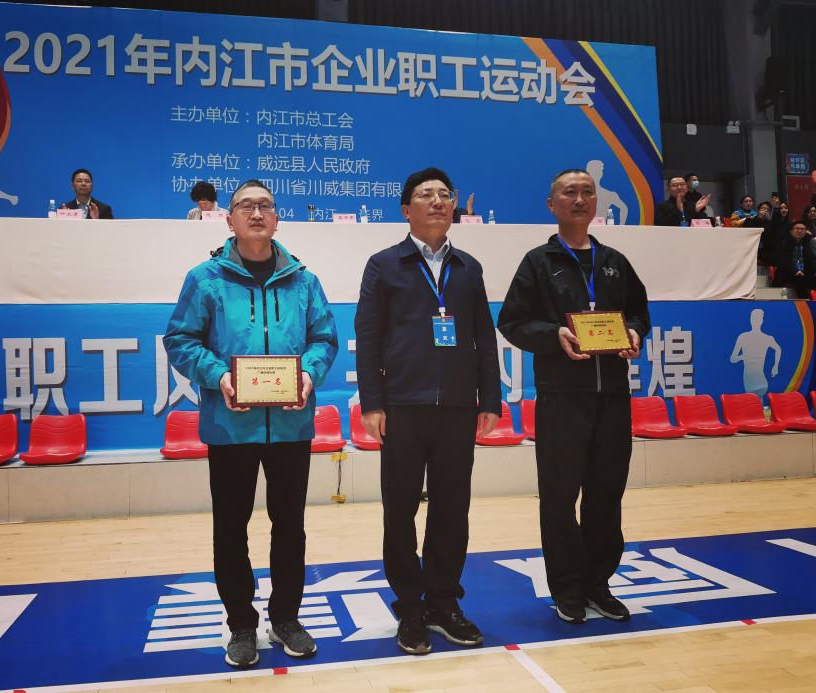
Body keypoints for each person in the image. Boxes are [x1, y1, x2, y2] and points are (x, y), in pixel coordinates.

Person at [163, 179, 338, 668]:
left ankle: (286, 617)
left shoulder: (304, 281)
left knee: (290, 526)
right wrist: (220, 377)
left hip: (290, 426)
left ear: (277, 218)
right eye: (246, 206)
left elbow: (324, 339)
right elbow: (180, 340)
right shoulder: (205, 279)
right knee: (230, 527)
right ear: (229, 218)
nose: (257, 213)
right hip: (230, 426)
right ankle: (240, 623)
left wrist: (308, 375)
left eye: (265, 206)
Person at [354, 167, 501, 655]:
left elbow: (483, 337)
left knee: (452, 509)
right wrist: (373, 403)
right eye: (425, 194)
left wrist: (489, 399)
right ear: (406, 210)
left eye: (444, 195)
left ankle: (443, 601)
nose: (438, 201)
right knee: (400, 510)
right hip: (402, 407)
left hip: (458, 407)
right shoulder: (384, 264)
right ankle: (410, 606)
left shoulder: (468, 267)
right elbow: (368, 337)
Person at [497, 169, 650, 625]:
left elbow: (639, 314)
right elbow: (512, 321)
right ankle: (566, 588)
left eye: (587, 192)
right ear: (552, 204)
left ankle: (598, 583)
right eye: (570, 193)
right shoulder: (538, 262)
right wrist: (554, 335)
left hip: (612, 398)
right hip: (562, 397)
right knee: (559, 498)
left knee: (607, 494)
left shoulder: (615, 261)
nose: (580, 199)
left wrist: (635, 333)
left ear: (596, 202)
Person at [775, 220, 816, 299]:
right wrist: (796, 271)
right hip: (787, 273)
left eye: (802, 229)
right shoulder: (783, 243)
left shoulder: (807, 244)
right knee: (801, 280)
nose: (800, 231)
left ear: (805, 232)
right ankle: (804, 303)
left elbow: (810, 261)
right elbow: (783, 262)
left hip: (804, 273)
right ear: (791, 231)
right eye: (797, 228)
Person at [762, 202, 792, 266]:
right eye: (781, 208)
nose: (784, 210)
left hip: (786, 251)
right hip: (773, 251)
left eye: (786, 208)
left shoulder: (790, 223)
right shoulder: (772, 223)